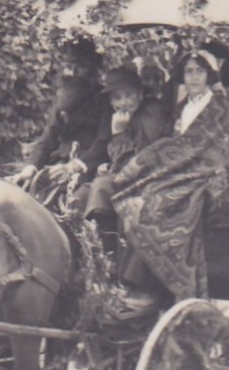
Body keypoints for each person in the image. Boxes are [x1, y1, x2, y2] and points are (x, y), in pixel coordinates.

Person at [111, 49, 229, 307]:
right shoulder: (183, 106)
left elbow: (210, 145)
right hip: (179, 169)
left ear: (209, 75)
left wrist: (172, 156)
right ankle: (129, 281)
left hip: (203, 171)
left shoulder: (220, 106)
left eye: (200, 71)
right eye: (188, 71)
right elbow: (171, 140)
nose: (193, 77)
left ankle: (148, 287)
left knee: (153, 203)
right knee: (131, 197)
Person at [70, 65, 170, 245]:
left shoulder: (151, 115)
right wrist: (109, 165)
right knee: (81, 195)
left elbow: (140, 162)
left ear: (140, 94)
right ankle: (84, 249)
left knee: (101, 187)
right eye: (117, 98)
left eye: (128, 95)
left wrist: (119, 134)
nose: (123, 103)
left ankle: (106, 249)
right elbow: (121, 160)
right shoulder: (122, 117)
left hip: (151, 178)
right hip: (129, 176)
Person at [24, 40, 111, 187]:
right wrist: (31, 167)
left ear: (94, 70)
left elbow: (103, 143)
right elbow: (47, 139)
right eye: (69, 67)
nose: (72, 73)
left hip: (88, 167)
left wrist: (73, 167)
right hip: (57, 165)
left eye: (81, 67)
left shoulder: (105, 100)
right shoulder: (64, 98)